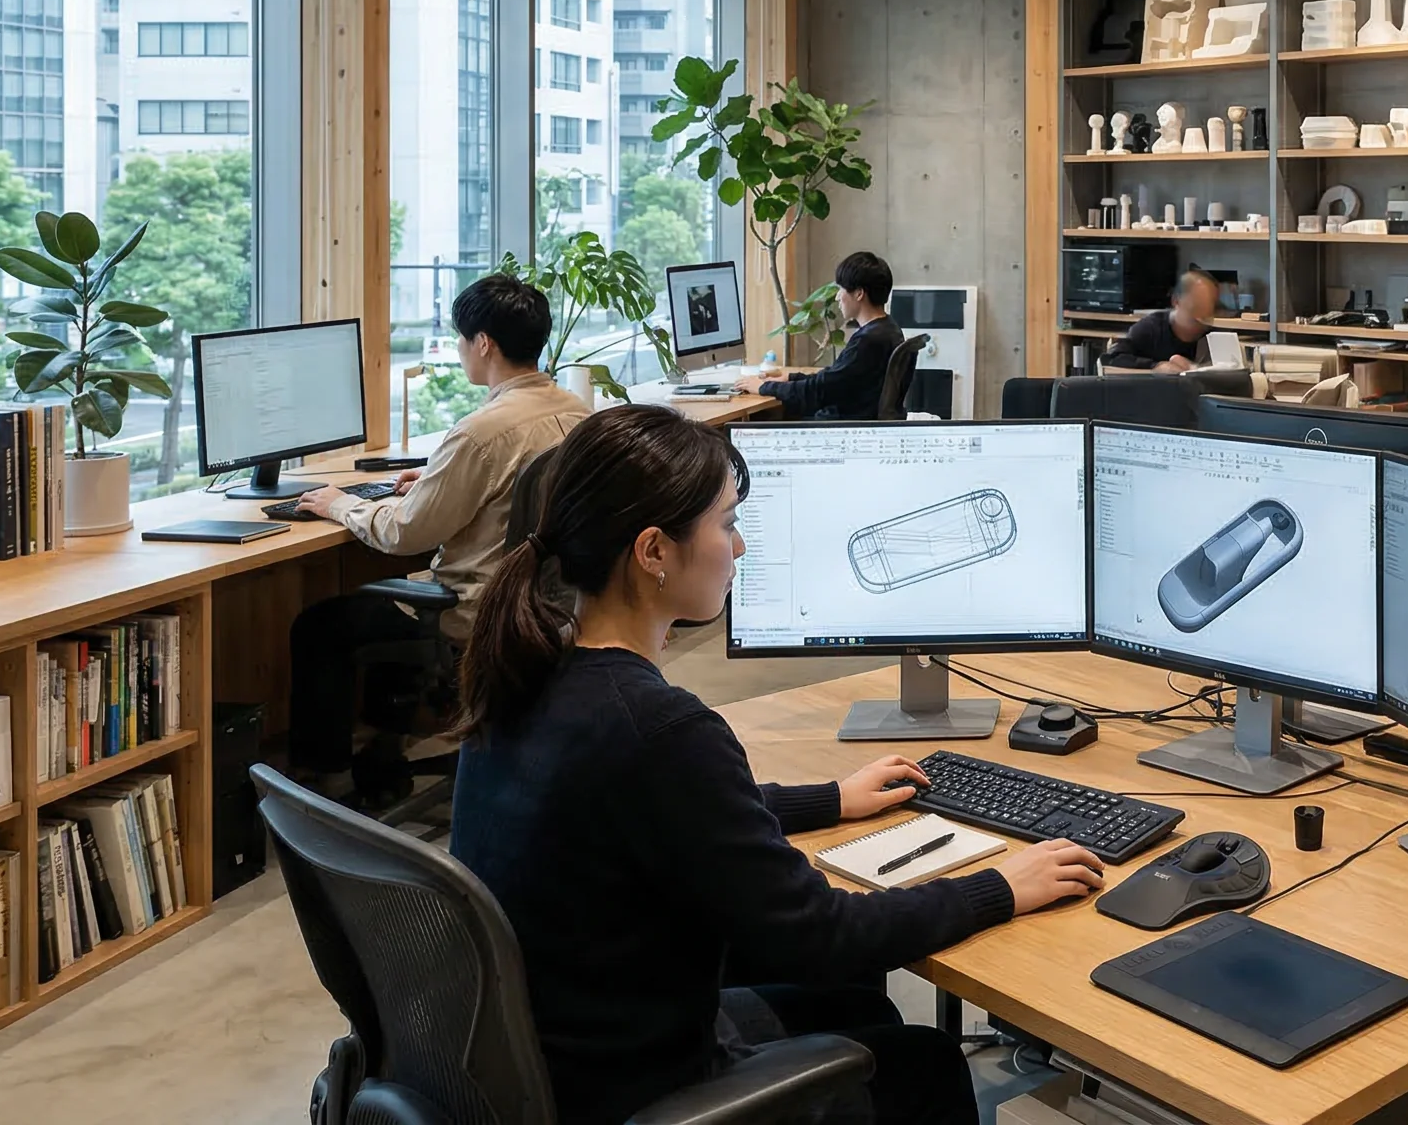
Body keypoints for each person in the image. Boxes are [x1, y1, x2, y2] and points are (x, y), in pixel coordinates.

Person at [448, 406, 1104, 1125]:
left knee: (853, 1007)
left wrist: (828, 799)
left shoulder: (530, 674)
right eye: (726, 523)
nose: (742, 547)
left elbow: (660, 810)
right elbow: (822, 934)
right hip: (638, 1089)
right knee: (925, 1063)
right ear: (653, 552)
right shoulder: (662, 728)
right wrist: (999, 887)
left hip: (557, 1056)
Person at [287, 274, 589, 804]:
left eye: (460, 338)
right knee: (387, 602)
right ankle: (384, 752)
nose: (460, 349)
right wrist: (432, 479)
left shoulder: (481, 431)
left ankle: (329, 785)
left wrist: (341, 504)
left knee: (321, 626)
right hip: (550, 603)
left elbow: (406, 532)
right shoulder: (575, 413)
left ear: (483, 344)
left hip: (478, 608)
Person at [735, 250, 906, 418]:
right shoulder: (889, 329)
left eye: (842, 289)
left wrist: (763, 387)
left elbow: (819, 391)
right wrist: (790, 377)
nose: (838, 297)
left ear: (859, 294)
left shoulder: (868, 341)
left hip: (840, 427)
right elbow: (836, 379)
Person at [1101, 268, 1222, 371]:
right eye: (1195, 308)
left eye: (1208, 311)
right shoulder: (1150, 329)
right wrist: (1156, 366)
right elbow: (1111, 358)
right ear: (1176, 301)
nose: (1201, 318)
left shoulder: (1214, 334)